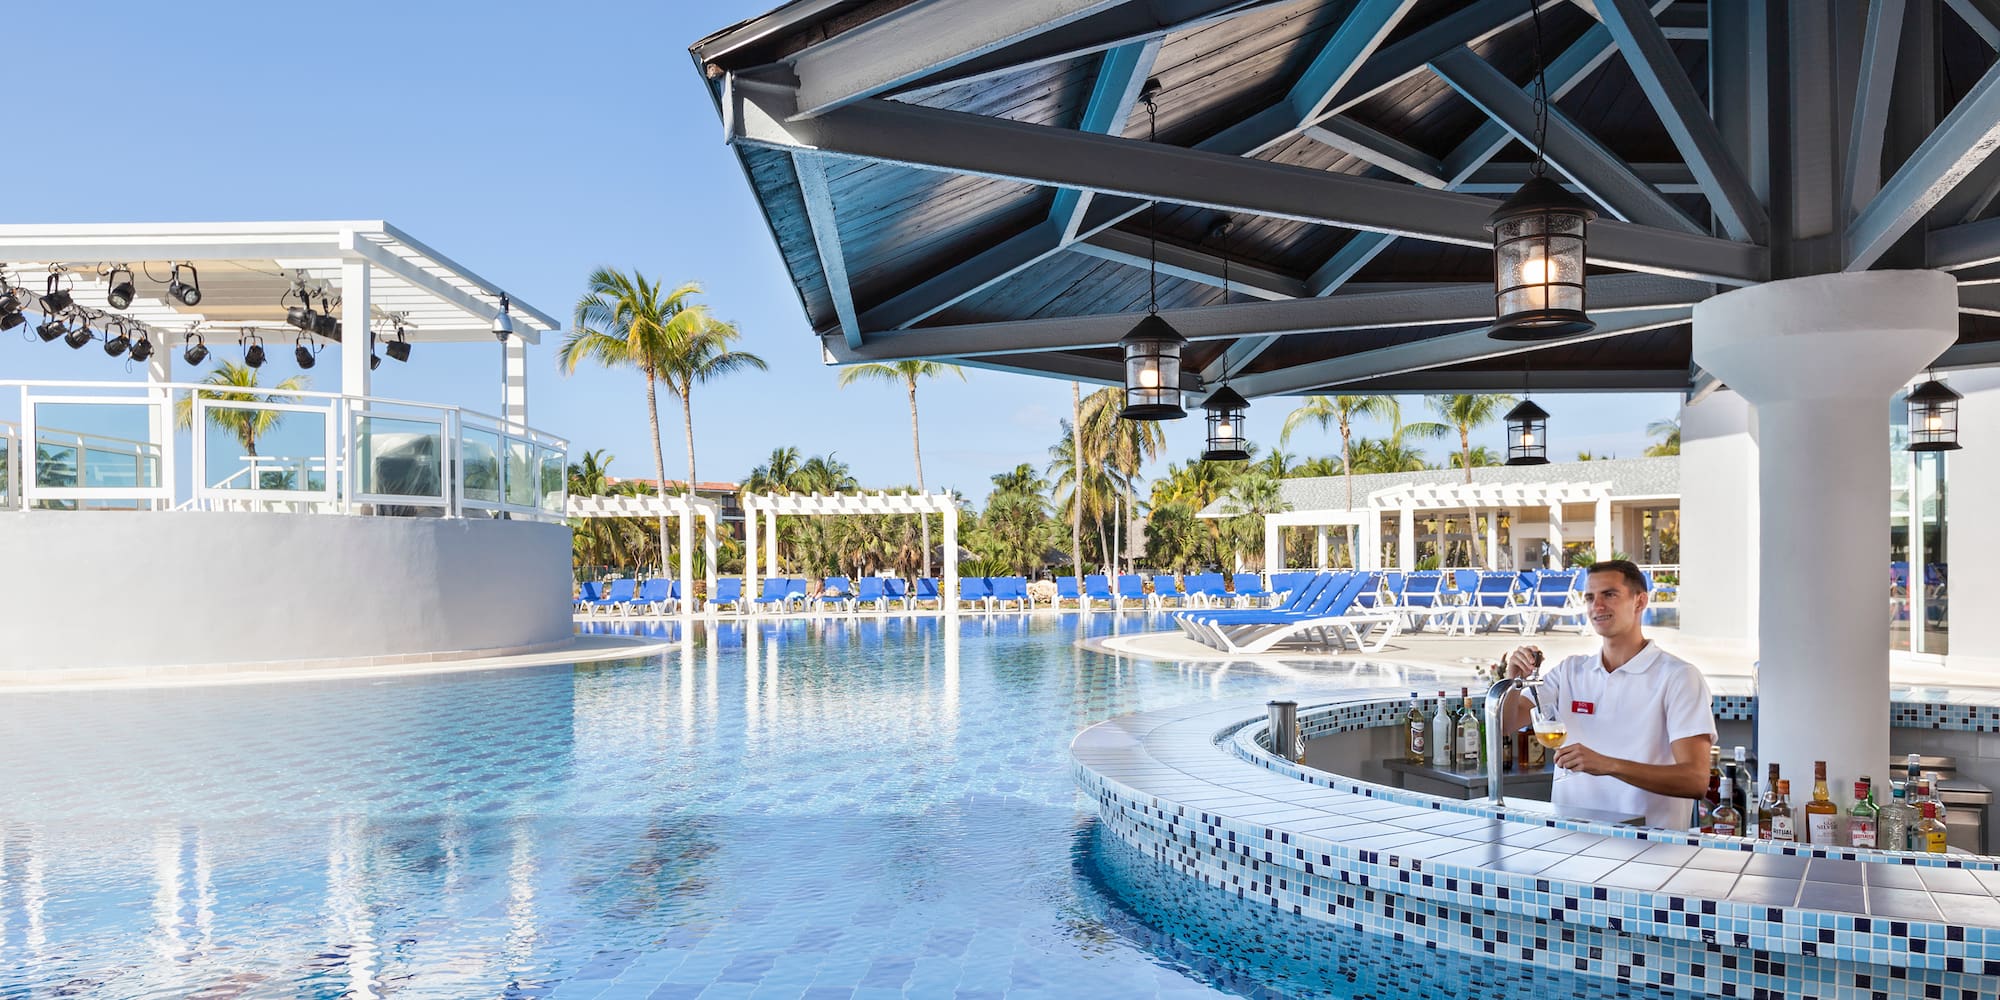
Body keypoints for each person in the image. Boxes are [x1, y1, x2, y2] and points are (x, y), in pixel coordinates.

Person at [1501, 559, 1715, 829]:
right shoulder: (1570, 671)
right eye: (1590, 597)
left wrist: (1608, 764)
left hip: (1648, 854)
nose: (1597, 606)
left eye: (1609, 595)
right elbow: (1507, 724)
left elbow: (1695, 780)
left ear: (1640, 602)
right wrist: (1513, 681)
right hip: (1568, 846)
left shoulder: (1679, 677)